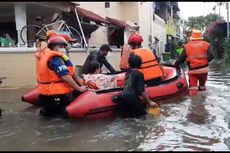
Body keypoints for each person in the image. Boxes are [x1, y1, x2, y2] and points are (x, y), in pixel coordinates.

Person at [36, 35, 87, 117]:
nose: (63, 48)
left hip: (47, 95)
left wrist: (80, 84)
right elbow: (65, 77)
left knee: (48, 117)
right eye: (60, 46)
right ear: (53, 46)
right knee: (59, 118)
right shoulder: (55, 59)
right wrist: (78, 89)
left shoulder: (54, 58)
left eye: (63, 46)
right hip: (57, 96)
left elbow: (71, 72)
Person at [117, 55, 158, 120]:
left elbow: (130, 85)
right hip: (133, 98)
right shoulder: (139, 74)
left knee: (129, 118)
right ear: (140, 64)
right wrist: (149, 101)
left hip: (124, 97)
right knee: (142, 116)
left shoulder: (127, 73)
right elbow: (140, 90)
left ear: (129, 64)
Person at [174, 30, 215, 96]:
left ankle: (194, 103)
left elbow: (181, 58)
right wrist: (205, 62)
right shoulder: (207, 44)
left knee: (193, 88)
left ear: (192, 37)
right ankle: (203, 101)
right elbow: (212, 55)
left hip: (193, 71)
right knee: (202, 87)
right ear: (200, 36)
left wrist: (176, 65)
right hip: (204, 70)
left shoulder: (187, 46)